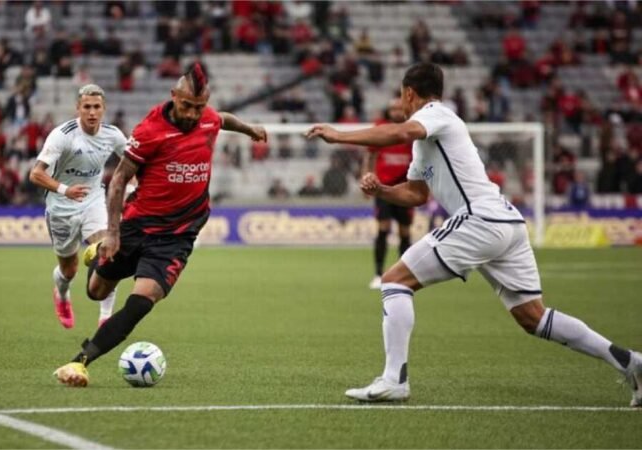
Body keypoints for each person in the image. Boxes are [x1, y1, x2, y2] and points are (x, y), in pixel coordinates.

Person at [306, 62, 641, 407]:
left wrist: (340, 135)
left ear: (409, 93)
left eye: (401, 96)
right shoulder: (427, 142)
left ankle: (394, 380)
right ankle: (631, 362)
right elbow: (417, 195)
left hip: (480, 219)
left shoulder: (438, 114)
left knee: (395, 282)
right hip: (505, 223)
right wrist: (382, 191)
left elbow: (400, 133)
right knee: (533, 317)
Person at [53, 63, 267, 387]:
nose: (194, 114)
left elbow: (223, 118)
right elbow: (119, 180)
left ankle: (79, 363)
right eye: (186, 106)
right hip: (137, 225)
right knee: (96, 291)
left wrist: (250, 129)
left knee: (142, 302)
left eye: (199, 107)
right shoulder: (150, 130)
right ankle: (99, 252)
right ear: (173, 96)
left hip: (177, 236)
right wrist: (112, 233)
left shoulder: (207, 117)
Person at [29, 84, 127, 329]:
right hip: (61, 208)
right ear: (78, 108)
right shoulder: (63, 135)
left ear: (104, 109)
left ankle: (106, 317)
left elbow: (132, 165)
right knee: (69, 270)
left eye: (96, 107)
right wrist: (65, 189)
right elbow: (35, 174)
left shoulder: (113, 135)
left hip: (93, 201)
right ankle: (62, 294)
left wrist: (134, 189)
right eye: (87, 107)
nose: (92, 112)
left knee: (108, 252)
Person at [364, 98, 414, 290]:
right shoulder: (381, 128)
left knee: (405, 232)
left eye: (399, 108)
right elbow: (370, 154)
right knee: (383, 229)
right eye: (392, 108)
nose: (395, 111)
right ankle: (378, 273)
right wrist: (367, 177)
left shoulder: (412, 130)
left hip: (405, 188)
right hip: (382, 188)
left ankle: (404, 275)